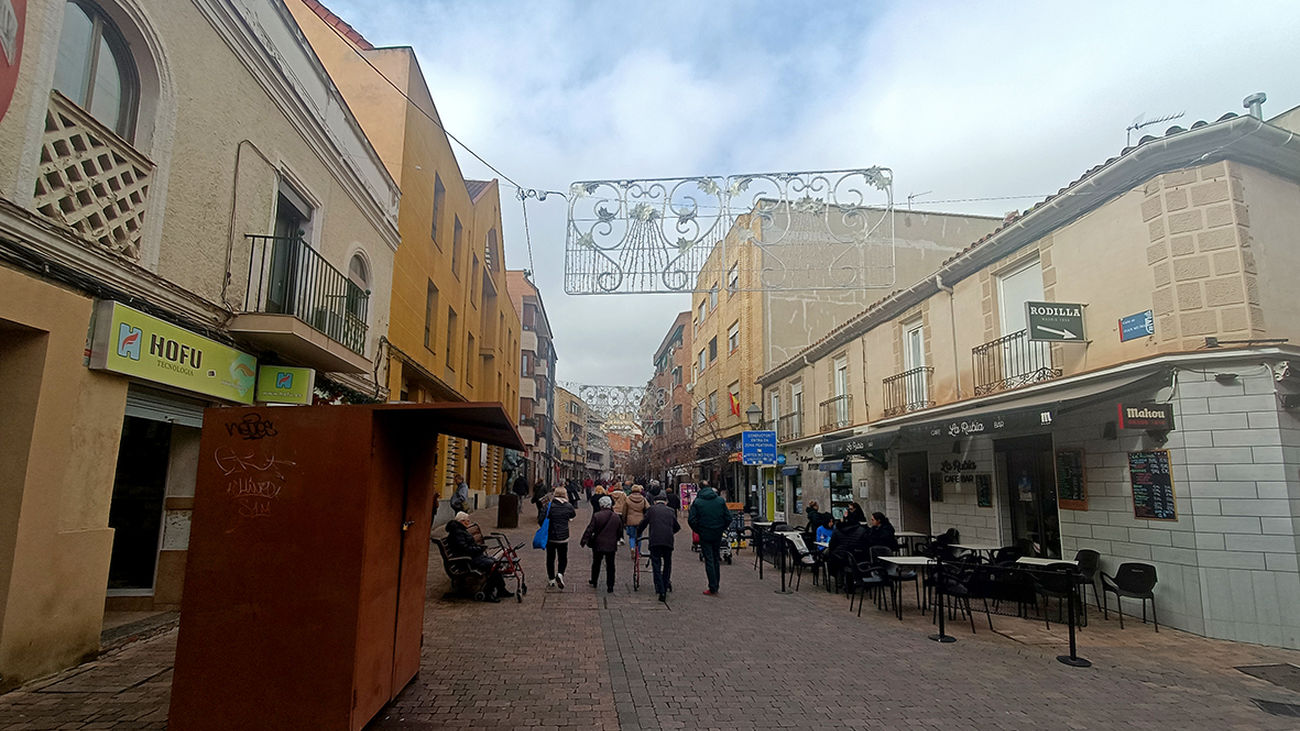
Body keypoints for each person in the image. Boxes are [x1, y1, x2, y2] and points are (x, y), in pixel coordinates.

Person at [444, 512, 512, 601]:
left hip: (472, 557)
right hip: (466, 561)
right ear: (462, 521)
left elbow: (466, 546)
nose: (469, 523)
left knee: (495, 563)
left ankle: (501, 589)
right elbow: (464, 549)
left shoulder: (459, 530)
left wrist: (478, 548)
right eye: (467, 521)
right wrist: (479, 549)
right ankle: (488, 593)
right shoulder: (457, 533)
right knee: (493, 565)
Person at [687, 483, 731, 596]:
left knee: (709, 559)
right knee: (716, 558)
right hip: (717, 533)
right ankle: (716, 585)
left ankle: (712, 586)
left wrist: (698, 530)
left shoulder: (697, 502)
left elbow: (691, 520)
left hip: (705, 533)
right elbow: (728, 518)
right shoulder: (720, 501)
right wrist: (721, 528)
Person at [643, 490, 680, 602]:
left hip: (655, 540)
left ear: (655, 502)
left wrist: (637, 534)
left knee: (656, 564)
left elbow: (643, 523)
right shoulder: (671, 511)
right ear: (666, 502)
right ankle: (665, 582)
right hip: (668, 540)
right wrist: (670, 532)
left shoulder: (651, 510)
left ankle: (660, 588)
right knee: (667, 563)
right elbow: (677, 527)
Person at [581, 495, 622, 593]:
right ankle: (610, 586)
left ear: (601, 505)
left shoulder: (597, 515)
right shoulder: (616, 517)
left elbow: (590, 529)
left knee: (596, 563)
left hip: (598, 544)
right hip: (611, 545)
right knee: (610, 565)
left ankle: (594, 580)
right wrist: (616, 539)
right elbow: (620, 531)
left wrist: (584, 540)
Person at [542, 489, 577, 588]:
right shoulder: (569, 506)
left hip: (551, 536)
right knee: (563, 557)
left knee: (550, 558)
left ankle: (551, 579)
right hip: (563, 536)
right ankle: (560, 573)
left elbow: (541, 518)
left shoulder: (549, 506)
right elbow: (573, 515)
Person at [826, 513, 873, 586]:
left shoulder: (837, 530)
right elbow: (866, 545)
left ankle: (839, 580)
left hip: (840, 557)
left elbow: (832, 545)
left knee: (834, 559)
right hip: (857, 557)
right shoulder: (862, 530)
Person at [621, 484, 650, 556]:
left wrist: (624, 520)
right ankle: (638, 552)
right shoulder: (643, 499)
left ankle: (632, 548)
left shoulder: (628, 499)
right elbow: (648, 508)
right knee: (639, 537)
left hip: (630, 520)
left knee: (632, 537)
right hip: (640, 520)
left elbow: (624, 511)